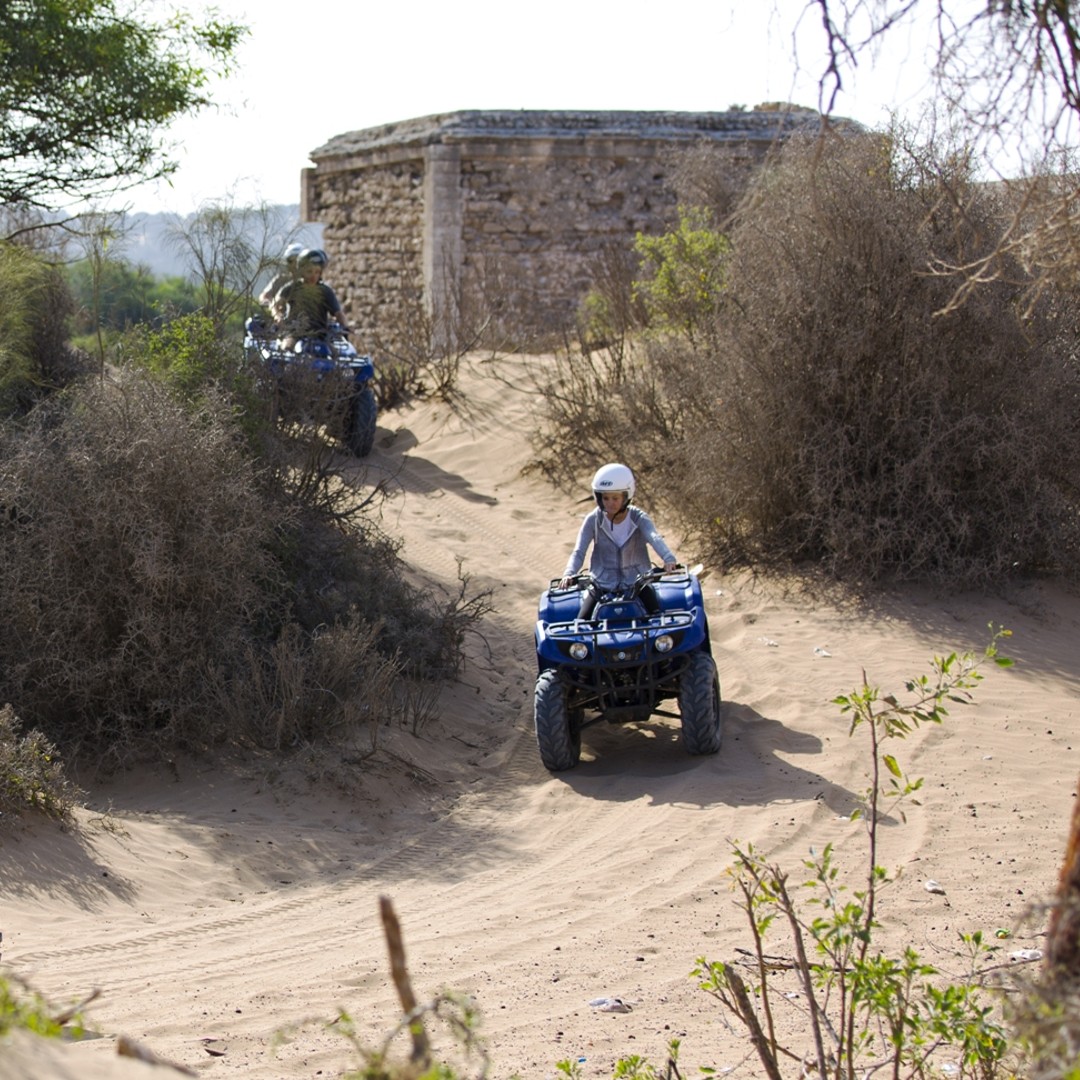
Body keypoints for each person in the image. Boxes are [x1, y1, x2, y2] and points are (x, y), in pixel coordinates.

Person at [559, 462, 679, 618]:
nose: (610, 503)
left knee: (657, 618)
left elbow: (654, 538)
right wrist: (569, 573)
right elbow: (579, 551)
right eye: (605, 498)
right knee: (582, 622)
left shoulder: (639, 518)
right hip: (601, 585)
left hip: (638, 583)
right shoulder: (593, 520)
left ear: (626, 496)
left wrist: (668, 559)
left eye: (615, 498)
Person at [274, 248, 350, 344]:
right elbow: (277, 304)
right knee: (287, 348)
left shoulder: (326, 291)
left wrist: (345, 327)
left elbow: (338, 313)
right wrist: (278, 316)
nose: (313, 276)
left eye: (317, 272)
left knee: (336, 355)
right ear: (301, 270)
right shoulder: (292, 288)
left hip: (321, 336)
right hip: (295, 333)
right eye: (309, 271)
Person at [258, 242, 304, 323]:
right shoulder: (280, 279)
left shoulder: (311, 281)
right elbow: (264, 296)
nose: (294, 264)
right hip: (281, 321)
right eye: (290, 261)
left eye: (296, 261)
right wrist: (270, 303)